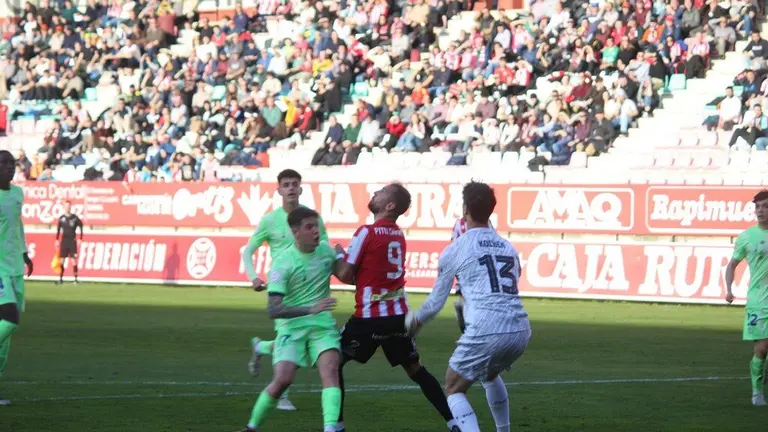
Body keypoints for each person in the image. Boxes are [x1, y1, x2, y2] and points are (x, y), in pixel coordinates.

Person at [407, 181, 532, 432]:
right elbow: (514, 277)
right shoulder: (508, 247)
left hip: (487, 328)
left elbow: (434, 304)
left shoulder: (456, 248)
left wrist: (413, 324)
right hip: (520, 329)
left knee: (453, 387)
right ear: (491, 210)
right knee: (489, 374)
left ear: (465, 209)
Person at [333, 183, 459, 432]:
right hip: (398, 316)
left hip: (369, 316)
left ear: (390, 205)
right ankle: (454, 421)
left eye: (380, 192)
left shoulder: (366, 232)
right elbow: (371, 273)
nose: (374, 193)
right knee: (415, 369)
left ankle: (336, 427)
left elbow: (346, 275)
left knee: (333, 362)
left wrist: (336, 255)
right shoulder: (398, 235)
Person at [237, 207, 343, 432]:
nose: (317, 231)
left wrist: (343, 255)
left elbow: (347, 275)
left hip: (322, 327)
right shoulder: (283, 263)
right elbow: (274, 310)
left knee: (331, 370)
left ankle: (330, 429)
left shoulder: (326, 252)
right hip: (292, 327)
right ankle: (251, 427)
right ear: (295, 232)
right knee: (283, 380)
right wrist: (310, 309)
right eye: (310, 227)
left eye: (317, 226)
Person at [241, 168, 329, 412]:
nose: (291, 188)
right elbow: (248, 250)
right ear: (278, 190)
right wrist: (253, 277)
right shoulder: (270, 220)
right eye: (286, 184)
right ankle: (282, 395)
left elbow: (325, 246)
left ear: (301, 188)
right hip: (283, 288)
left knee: (289, 339)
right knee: (288, 338)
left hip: (309, 286)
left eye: (295, 184)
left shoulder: (312, 218)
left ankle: (259, 347)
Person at [725, 189, 768, 406]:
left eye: (765, 206)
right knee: (762, 347)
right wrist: (729, 288)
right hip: (759, 302)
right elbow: (732, 264)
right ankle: (757, 393)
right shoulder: (747, 237)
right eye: (758, 207)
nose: (760, 211)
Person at [0, 150, 34, 406]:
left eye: (12, 164)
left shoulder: (18, 194)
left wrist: (24, 253)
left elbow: (17, 225)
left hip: (14, 268)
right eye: (4, 164)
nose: (9, 168)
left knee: (6, 341)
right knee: (10, 320)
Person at [451, 217, 495, 333]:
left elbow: (454, 247)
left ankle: (463, 311)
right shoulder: (486, 223)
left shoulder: (459, 224)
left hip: (466, 269)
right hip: (479, 269)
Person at [55, 201, 84, 285]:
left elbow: (81, 225)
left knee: (73, 260)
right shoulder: (61, 218)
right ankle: (60, 278)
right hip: (64, 241)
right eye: (66, 206)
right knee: (61, 261)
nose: (67, 208)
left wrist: (81, 238)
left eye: (69, 206)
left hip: (72, 241)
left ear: (70, 207)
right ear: (64, 207)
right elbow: (58, 229)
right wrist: (56, 240)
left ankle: (75, 279)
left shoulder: (74, 218)